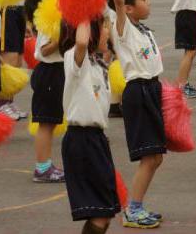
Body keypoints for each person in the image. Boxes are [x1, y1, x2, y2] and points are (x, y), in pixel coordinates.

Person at [109, 0, 165, 229]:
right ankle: (133, 210)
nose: (148, 2)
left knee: (156, 157)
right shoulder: (123, 27)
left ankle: (137, 205)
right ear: (128, 8)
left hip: (152, 89)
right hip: (138, 92)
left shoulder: (141, 28)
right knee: (149, 157)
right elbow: (119, 1)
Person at [60, 18, 121, 234]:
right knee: (100, 213)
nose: (108, 30)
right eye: (104, 27)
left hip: (96, 140)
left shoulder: (99, 62)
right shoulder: (76, 59)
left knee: (105, 213)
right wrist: (84, 10)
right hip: (81, 141)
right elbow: (82, 43)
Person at [25, 0, 66, 183]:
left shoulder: (56, 14)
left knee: (50, 122)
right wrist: (62, 38)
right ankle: (42, 168)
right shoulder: (47, 18)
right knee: (46, 123)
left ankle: (46, 165)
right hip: (49, 72)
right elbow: (43, 50)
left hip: (56, 72)